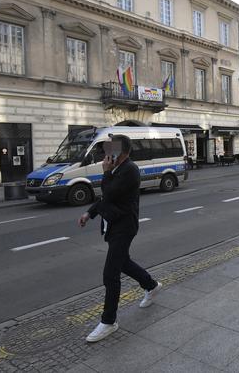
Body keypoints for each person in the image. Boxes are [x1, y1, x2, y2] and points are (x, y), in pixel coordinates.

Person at [79, 134, 161, 342]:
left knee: (110, 274)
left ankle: (108, 322)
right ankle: (151, 285)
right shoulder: (118, 168)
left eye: (110, 149)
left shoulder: (130, 170)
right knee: (123, 263)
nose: (106, 154)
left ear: (121, 151)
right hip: (114, 225)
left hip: (124, 227)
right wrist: (90, 213)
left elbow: (110, 192)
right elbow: (106, 198)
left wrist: (106, 173)